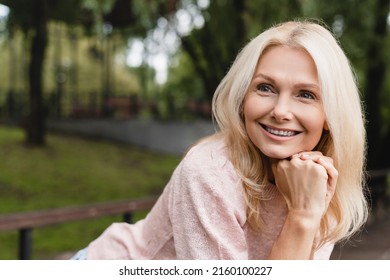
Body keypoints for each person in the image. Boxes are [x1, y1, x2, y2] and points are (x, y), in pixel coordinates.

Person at [72, 20, 368, 260]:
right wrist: (302, 217)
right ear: (243, 97)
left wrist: (306, 211)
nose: (280, 111)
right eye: (265, 88)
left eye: (306, 95)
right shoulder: (208, 174)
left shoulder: (320, 178)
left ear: (331, 114)